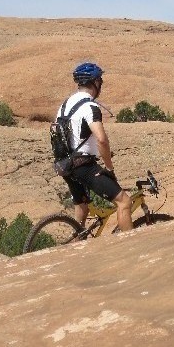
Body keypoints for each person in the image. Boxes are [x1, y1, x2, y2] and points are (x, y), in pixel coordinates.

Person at [57, 62, 133, 231]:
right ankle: (131, 248)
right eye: (100, 81)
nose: (101, 84)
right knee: (124, 202)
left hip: (64, 165)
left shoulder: (64, 106)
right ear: (95, 82)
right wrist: (109, 168)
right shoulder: (90, 107)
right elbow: (102, 140)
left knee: (82, 205)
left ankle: (75, 244)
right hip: (84, 165)